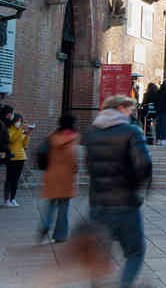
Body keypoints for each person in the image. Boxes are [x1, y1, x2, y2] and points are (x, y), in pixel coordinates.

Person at [84, 95, 152, 288]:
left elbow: (89, 166)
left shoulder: (91, 133)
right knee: (135, 252)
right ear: (120, 108)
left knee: (100, 255)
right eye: (130, 110)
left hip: (98, 202)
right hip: (125, 203)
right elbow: (144, 165)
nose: (131, 115)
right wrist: (135, 185)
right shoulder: (131, 132)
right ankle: (125, 284)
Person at [39, 113, 79, 243]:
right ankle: (60, 235)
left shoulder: (51, 137)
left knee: (51, 204)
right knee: (63, 208)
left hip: (51, 174)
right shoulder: (73, 138)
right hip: (66, 177)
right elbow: (73, 159)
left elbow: (43, 154)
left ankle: (46, 225)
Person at [4, 112, 29, 206]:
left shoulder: (21, 130)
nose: (19, 122)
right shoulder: (9, 130)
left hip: (21, 157)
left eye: (21, 121)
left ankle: (13, 198)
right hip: (11, 157)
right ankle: (7, 200)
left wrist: (27, 135)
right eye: (18, 121)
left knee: (16, 179)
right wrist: (20, 131)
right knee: (9, 179)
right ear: (14, 121)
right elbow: (12, 140)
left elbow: (24, 145)